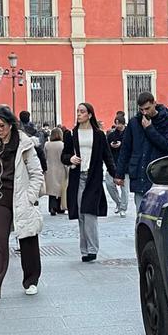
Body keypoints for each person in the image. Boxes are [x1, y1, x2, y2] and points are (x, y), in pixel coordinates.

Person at [0, 106, 44, 305]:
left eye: (1, 126)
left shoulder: (25, 144)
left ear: (10, 124)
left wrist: (30, 196)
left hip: (21, 197)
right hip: (0, 198)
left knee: (27, 238)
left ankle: (31, 279)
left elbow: (37, 173)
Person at [62, 103, 116, 262]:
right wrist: (70, 158)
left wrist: (116, 175)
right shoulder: (71, 134)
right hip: (77, 178)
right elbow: (64, 156)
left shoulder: (99, 135)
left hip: (93, 178)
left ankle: (92, 249)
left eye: (82, 111)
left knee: (90, 212)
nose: (78, 114)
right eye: (77, 111)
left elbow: (107, 156)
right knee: (80, 214)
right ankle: (84, 250)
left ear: (90, 115)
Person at [115, 92, 168, 212]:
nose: (144, 112)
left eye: (147, 108)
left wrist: (149, 129)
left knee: (157, 215)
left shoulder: (167, 120)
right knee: (141, 214)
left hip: (159, 175)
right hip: (139, 173)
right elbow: (125, 149)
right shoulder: (134, 122)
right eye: (141, 109)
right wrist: (119, 173)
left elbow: (167, 146)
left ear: (154, 103)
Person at [104, 115, 128, 217]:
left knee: (124, 188)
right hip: (113, 164)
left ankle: (123, 208)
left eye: (119, 123)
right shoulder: (111, 135)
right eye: (116, 123)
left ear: (123, 123)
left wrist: (121, 144)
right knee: (109, 184)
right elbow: (106, 149)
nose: (117, 125)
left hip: (125, 164)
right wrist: (111, 145)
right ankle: (118, 202)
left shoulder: (129, 135)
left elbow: (131, 147)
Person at [43, 127, 68, 216]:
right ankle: (60, 208)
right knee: (61, 189)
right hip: (61, 168)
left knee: (52, 191)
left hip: (50, 169)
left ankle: (52, 207)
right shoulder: (62, 145)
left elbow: (44, 156)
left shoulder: (47, 144)